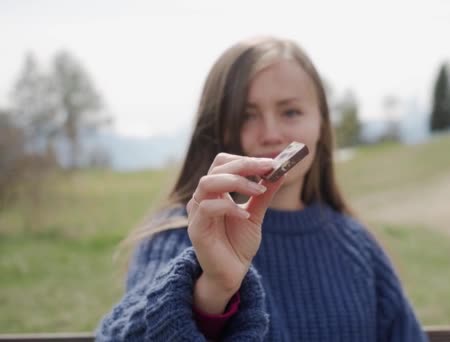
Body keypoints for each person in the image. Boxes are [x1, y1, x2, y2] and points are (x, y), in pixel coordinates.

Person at [97, 36, 428, 341]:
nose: (271, 134)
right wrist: (213, 288)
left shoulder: (358, 247)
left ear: (321, 125)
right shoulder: (182, 236)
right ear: (217, 129)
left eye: (291, 112)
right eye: (246, 116)